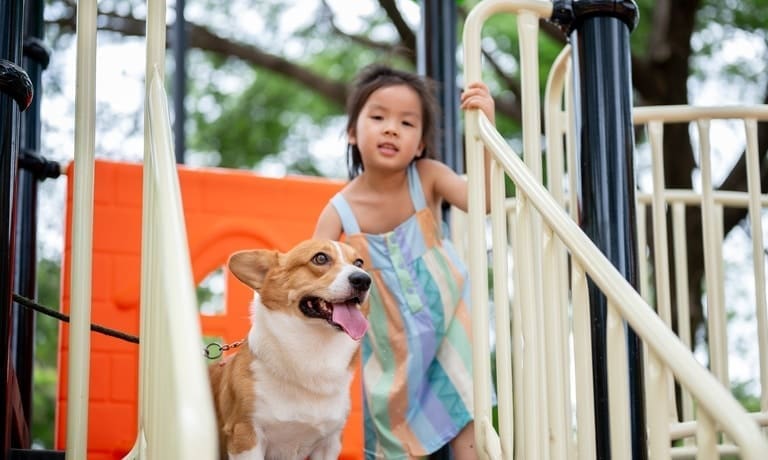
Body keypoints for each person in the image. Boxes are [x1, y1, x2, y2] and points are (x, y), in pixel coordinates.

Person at [313, 64, 494, 460]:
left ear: (421, 145)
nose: (391, 128)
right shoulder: (339, 210)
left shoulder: (427, 176)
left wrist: (485, 132)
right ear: (351, 132)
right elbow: (315, 271)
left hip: (450, 326)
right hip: (389, 346)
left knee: (467, 419)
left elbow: (483, 200)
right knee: (395, 437)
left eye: (407, 122)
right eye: (378, 117)